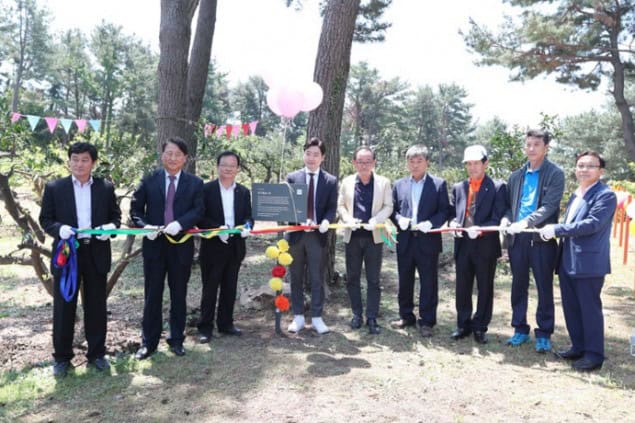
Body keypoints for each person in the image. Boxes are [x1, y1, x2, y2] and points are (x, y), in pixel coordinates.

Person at [39, 142, 121, 377]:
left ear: (93, 163)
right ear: (69, 161)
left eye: (85, 160)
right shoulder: (55, 188)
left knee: (96, 305)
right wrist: (59, 229)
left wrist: (110, 228)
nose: (79, 164)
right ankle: (62, 358)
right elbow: (45, 219)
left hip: (96, 252)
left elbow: (116, 217)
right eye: (75, 159)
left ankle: (97, 354)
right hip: (68, 254)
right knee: (64, 306)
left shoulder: (105, 187)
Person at [538, 151, 616, 372]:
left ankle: (593, 355)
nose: (584, 170)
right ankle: (578, 347)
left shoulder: (605, 195)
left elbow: (592, 224)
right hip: (567, 260)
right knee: (571, 307)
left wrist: (557, 230)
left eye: (590, 166)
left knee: (589, 309)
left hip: (588, 263)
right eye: (580, 165)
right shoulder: (576, 194)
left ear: (601, 171)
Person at [130, 137, 204, 359]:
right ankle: (148, 343)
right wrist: (145, 226)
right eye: (169, 153)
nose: (173, 158)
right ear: (162, 155)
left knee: (178, 294)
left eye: (177, 154)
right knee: (152, 294)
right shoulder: (149, 180)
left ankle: (177, 339)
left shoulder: (195, 183)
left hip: (181, 246)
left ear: (185, 158)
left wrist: (180, 224)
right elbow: (135, 210)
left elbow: (199, 210)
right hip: (154, 245)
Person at [502, 129, 564, 353]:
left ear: (546, 147)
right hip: (518, 239)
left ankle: (544, 333)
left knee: (544, 287)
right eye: (528, 144)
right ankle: (520, 329)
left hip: (541, 239)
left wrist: (526, 222)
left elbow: (550, 206)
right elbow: (509, 206)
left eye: (536, 144)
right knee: (518, 285)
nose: (531, 148)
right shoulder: (516, 176)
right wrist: (507, 219)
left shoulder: (555, 173)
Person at [447, 145, 506, 344]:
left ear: (485, 163)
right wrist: (453, 224)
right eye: (469, 164)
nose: (472, 168)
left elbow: (497, 216)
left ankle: (480, 326)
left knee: (485, 287)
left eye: (476, 163)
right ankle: (463, 324)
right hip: (463, 244)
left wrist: (481, 228)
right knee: (462, 286)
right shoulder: (459, 187)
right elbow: (452, 213)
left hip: (485, 245)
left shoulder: (497, 187)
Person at [390, 145, 450, 338]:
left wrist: (431, 223)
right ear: (407, 163)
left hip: (428, 240)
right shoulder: (399, 185)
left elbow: (445, 210)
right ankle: (406, 316)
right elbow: (392, 210)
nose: (415, 165)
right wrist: (399, 219)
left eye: (419, 161)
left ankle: (427, 321)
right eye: (411, 161)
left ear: (427, 163)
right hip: (406, 240)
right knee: (404, 280)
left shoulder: (438, 184)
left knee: (428, 282)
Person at [197, 151, 253, 343]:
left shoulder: (243, 192)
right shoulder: (206, 189)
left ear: (238, 169)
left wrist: (247, 226)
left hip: (235, 246)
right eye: (224, 164)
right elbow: (200, 217)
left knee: (230, 286)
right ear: (218, 166)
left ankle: (226, 323)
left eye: (232, 165)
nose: (228, 168)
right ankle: (205, 327)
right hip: (213, 245)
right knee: (210, 288)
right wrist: (216, 229)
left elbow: (248, 216)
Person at [337, 146, 393, 335]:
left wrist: (377, 219)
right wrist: (347, 219)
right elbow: (341, 205)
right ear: (354, 163)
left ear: (374, 163)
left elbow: (388, 206)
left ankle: (372, 317)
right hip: (353, 236)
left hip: (374, 237)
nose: (364, 165)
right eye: (360, 161)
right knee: (352, 277)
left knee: (373, 279)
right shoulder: (347, 182)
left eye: (368, 161)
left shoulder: (383, 183)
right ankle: (356, 314)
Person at [285, 137, 338, 334]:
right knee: (296, 277)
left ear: (322, 157)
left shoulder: (330, 181)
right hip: (296, 235)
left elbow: (331, 207)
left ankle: (317, 317)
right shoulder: (292, 178)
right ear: (303, 154)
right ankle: (298, 316)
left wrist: (326, 221)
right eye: (308, 153)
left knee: (317, 277)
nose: (311, 158)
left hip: (317, 236)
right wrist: (299, 220)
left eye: (316, 154)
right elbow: (287, 206)